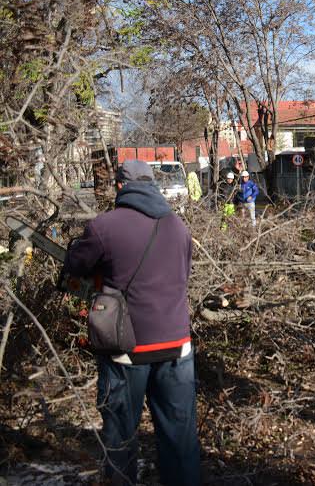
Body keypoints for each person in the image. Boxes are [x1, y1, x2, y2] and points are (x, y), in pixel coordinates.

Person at [64, 160, 199, 486]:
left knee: (121, 438)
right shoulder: (178, 226)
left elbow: (74, 265)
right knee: (180, 440)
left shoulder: (104, 226)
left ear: (120, 187)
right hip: (177, 347)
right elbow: (183, 275)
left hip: (126, 349)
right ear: (152, 184)